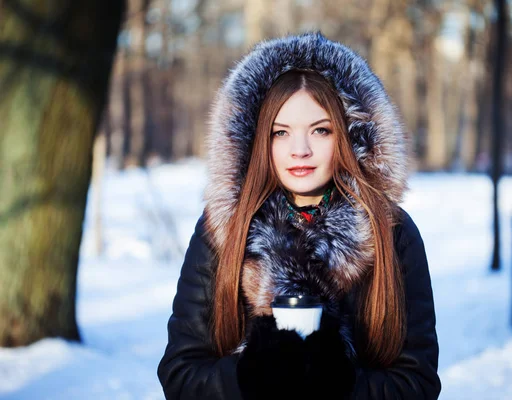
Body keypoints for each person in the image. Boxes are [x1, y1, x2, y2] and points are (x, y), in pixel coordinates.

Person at [157, 32, 441, 400]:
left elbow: (417, 383)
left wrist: (342, 385)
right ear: (258, 140)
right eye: (281, 132)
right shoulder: (225, 228)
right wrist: (248, 375)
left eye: (321, 130)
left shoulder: (391, 231)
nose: (300, 150)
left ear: (351, 136)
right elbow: (180, 374)